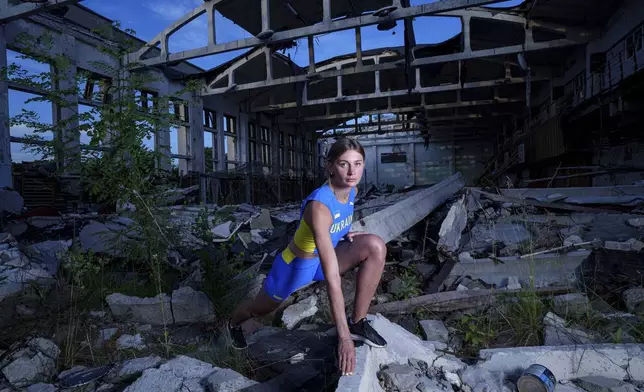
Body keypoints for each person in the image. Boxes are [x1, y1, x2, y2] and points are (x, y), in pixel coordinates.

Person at [227, 137, 387, 377]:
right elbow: (333, 277)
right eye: (344, 164)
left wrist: (345, 232)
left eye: (358, 163)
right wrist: (343, 339)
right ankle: (232, 324)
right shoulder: (319, 206)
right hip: (297, 266)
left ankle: (358, 323)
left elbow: (337, 220)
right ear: (330, 166)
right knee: (259, 310)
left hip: (328, 254)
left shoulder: (351, 189)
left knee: (375, 245)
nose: (353, 171)